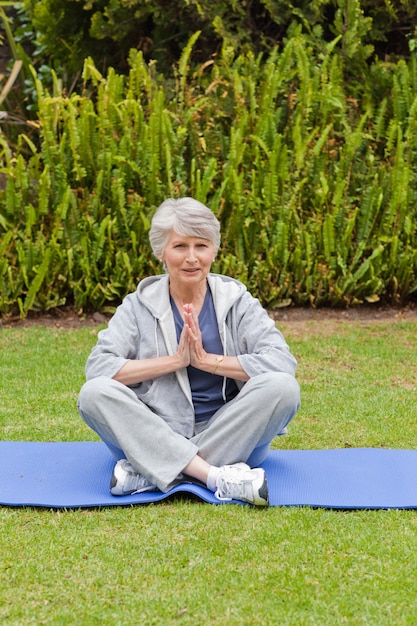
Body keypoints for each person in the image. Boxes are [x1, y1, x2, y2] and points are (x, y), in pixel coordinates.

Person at [77, 197, 300, 506]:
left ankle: (151, 470)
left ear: (214, 250)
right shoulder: (137, 305)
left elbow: (281, 363)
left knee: (283, 387)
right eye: (180, 246)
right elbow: (99, 368)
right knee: (94, 393)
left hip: (230, 433)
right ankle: (215, 476)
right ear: (161, 253)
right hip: (155, 429)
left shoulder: (237, 300)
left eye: (201, 246)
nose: (191, 258)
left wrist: (209, 362)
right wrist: (175, 361)